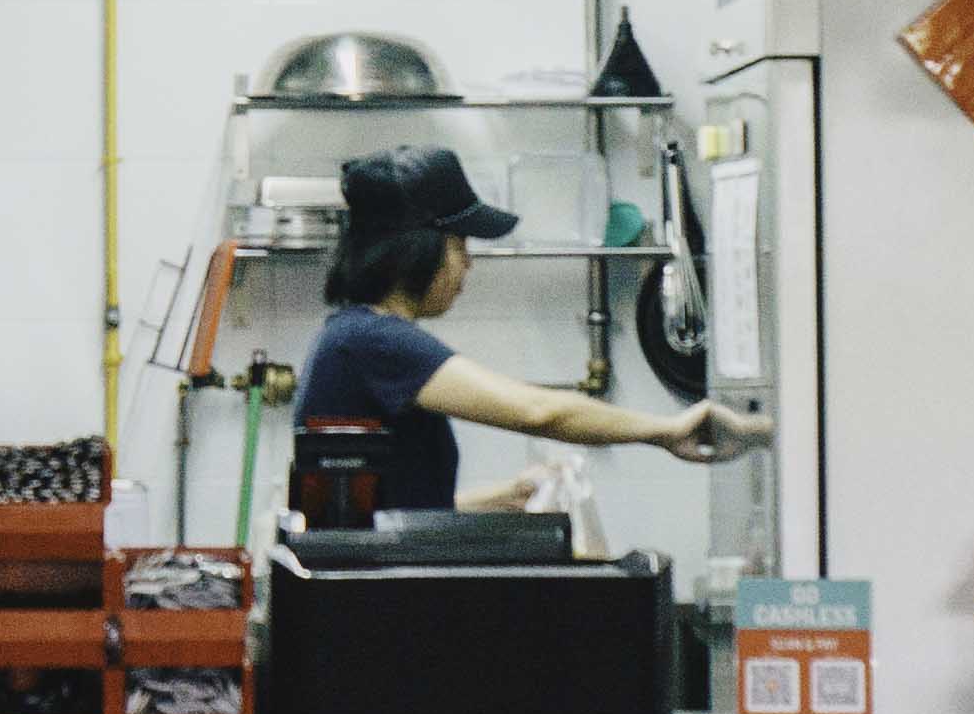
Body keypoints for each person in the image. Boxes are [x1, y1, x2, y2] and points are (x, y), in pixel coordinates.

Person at [295, 144, 768, 516]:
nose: (467, 264)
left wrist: (505, 496)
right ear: (417, 249)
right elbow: (535, 411)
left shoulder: (352, 336)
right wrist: (667, 430)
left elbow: (389, 514)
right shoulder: (374, 341)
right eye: (459, 244)